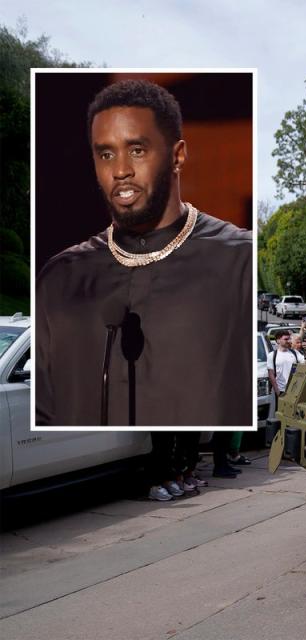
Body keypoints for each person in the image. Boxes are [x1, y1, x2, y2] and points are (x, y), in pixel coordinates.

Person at [35, 79, 252, 426]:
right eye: (106, 154)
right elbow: (44, 411)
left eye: (137, 150)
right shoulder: (60, 279)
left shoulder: (240, 263)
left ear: (177, 155)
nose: (120, 170)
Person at [268, 329, 305, 398]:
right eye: (286, 339)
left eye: (289, 339)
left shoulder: (295, 352)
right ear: (278, 340)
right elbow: (271, 375)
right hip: (281, 391)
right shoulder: (272, 355)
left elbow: (305, 362)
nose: (289, 341)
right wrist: (278, 392)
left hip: (295, 391)